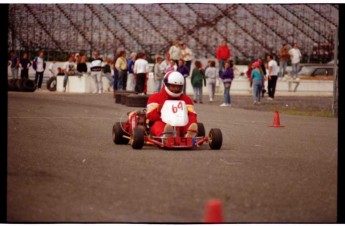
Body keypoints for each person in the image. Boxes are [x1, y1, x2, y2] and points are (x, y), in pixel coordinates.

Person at [146, 71, 198, 138]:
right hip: (163, 123)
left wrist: (186, 111)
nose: (176, 89)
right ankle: (166, 135)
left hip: (181, 124)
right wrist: (158, 110)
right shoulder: (155, 97)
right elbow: (150, 116)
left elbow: (192, 115)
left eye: (178, 87)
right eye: (173, 86)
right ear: (166, 84)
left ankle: (189, 134)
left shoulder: (186, 99)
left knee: (191, 118)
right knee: (157, 124)